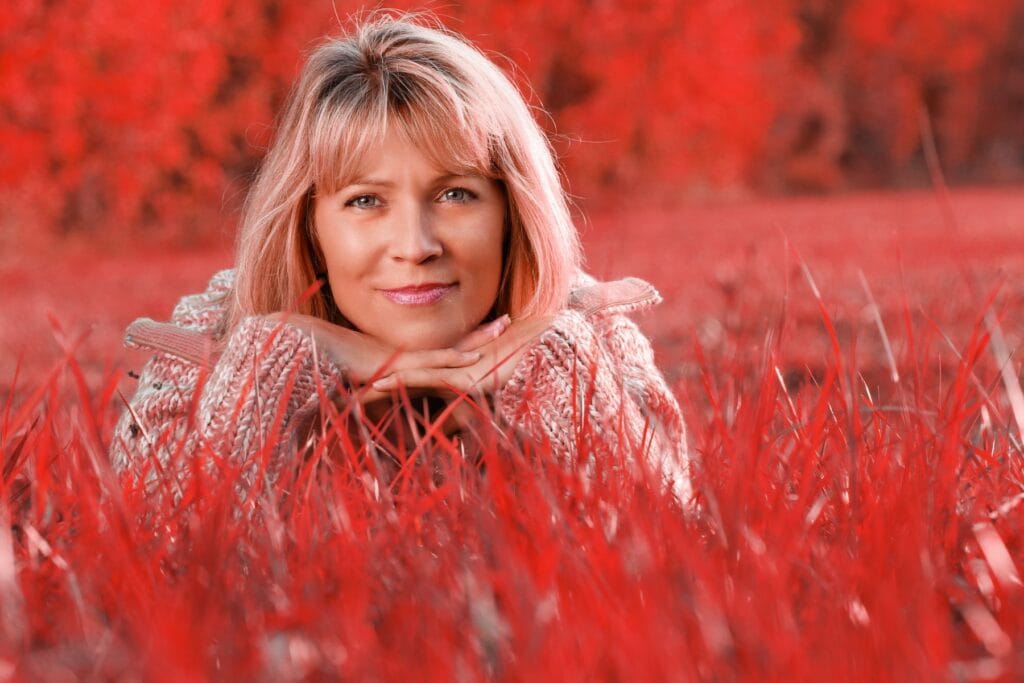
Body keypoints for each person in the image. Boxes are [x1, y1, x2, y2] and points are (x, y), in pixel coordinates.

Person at [109, 14, 690, 504]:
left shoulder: (587, 331)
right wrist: (274, 362)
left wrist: (557, 367)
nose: (415, 246)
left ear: (512, 209)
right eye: (365, 201)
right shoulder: (211, 336)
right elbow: (162, 563)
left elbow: (675, 543)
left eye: (455, 194)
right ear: (309, 225)